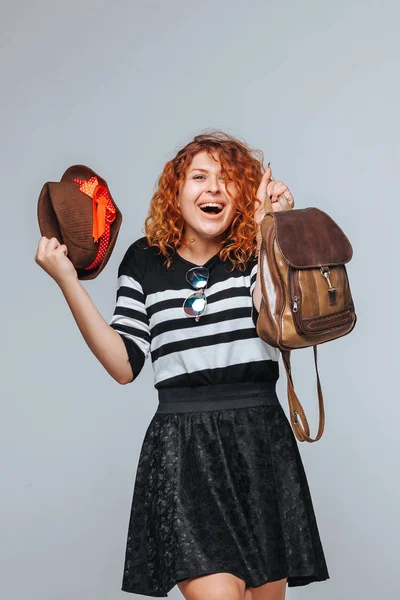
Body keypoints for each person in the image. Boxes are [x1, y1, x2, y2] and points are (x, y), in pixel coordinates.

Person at [35, 130, 330, 600]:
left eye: (227, 179)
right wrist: (68, 282)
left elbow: (279, 320)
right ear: (176, 191)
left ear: (242, 195)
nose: (213, 188)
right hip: (184, 449)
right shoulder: (143, 260)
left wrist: (276, 226)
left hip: (260, 444)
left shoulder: (255, 250)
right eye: (199, 176)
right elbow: (124, 363)